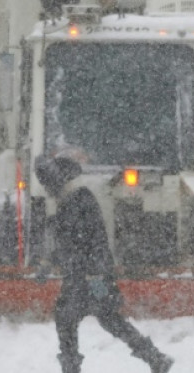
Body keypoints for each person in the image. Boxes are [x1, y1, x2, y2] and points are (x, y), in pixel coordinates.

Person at [35, 156, 173, 373]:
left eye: (47, 184)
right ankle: (155, 358)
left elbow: (95, 239)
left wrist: (95, 274)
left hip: (89, 277)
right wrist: (48, 262)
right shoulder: (69, 203)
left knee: (74, 318)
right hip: (82, 276)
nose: (47, 189)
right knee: (104, 318)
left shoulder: (80, 200)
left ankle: (73, 368)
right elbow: (70, 244)